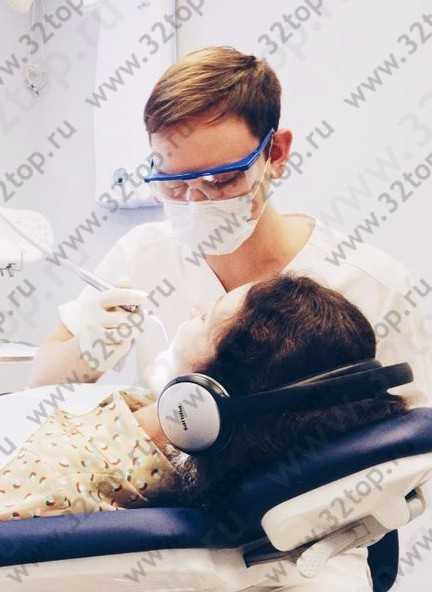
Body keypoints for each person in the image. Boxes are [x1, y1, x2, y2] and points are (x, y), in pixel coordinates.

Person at [28, 47, 430, 416]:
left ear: (276, 154)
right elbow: (42, 388)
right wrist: (88, 348)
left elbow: (415, 438)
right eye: (173, 183)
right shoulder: (142, 255)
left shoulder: (370, 284)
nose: (195, 201)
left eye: (220, 180)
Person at [0, 273, 407, 524]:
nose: (194, 308)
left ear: (202, 397)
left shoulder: (59, 476)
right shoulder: (147, 422)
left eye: (205, 316)